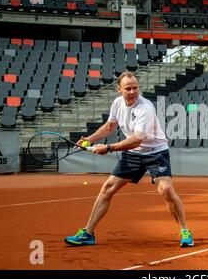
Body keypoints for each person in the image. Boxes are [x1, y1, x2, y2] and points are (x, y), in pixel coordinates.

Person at [65, 71, 194, 247]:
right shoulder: (117, 103)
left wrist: (108, 148)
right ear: (119, 89)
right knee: (107, 188)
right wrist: (90, 139)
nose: (133, 92)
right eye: (128, 89)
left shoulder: (145, 107)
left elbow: (137, 139)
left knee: (166, 190)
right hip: (133, 155)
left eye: (135, 88)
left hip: (155, 152)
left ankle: (185, 231)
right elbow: (110, 126)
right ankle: (88, 233)